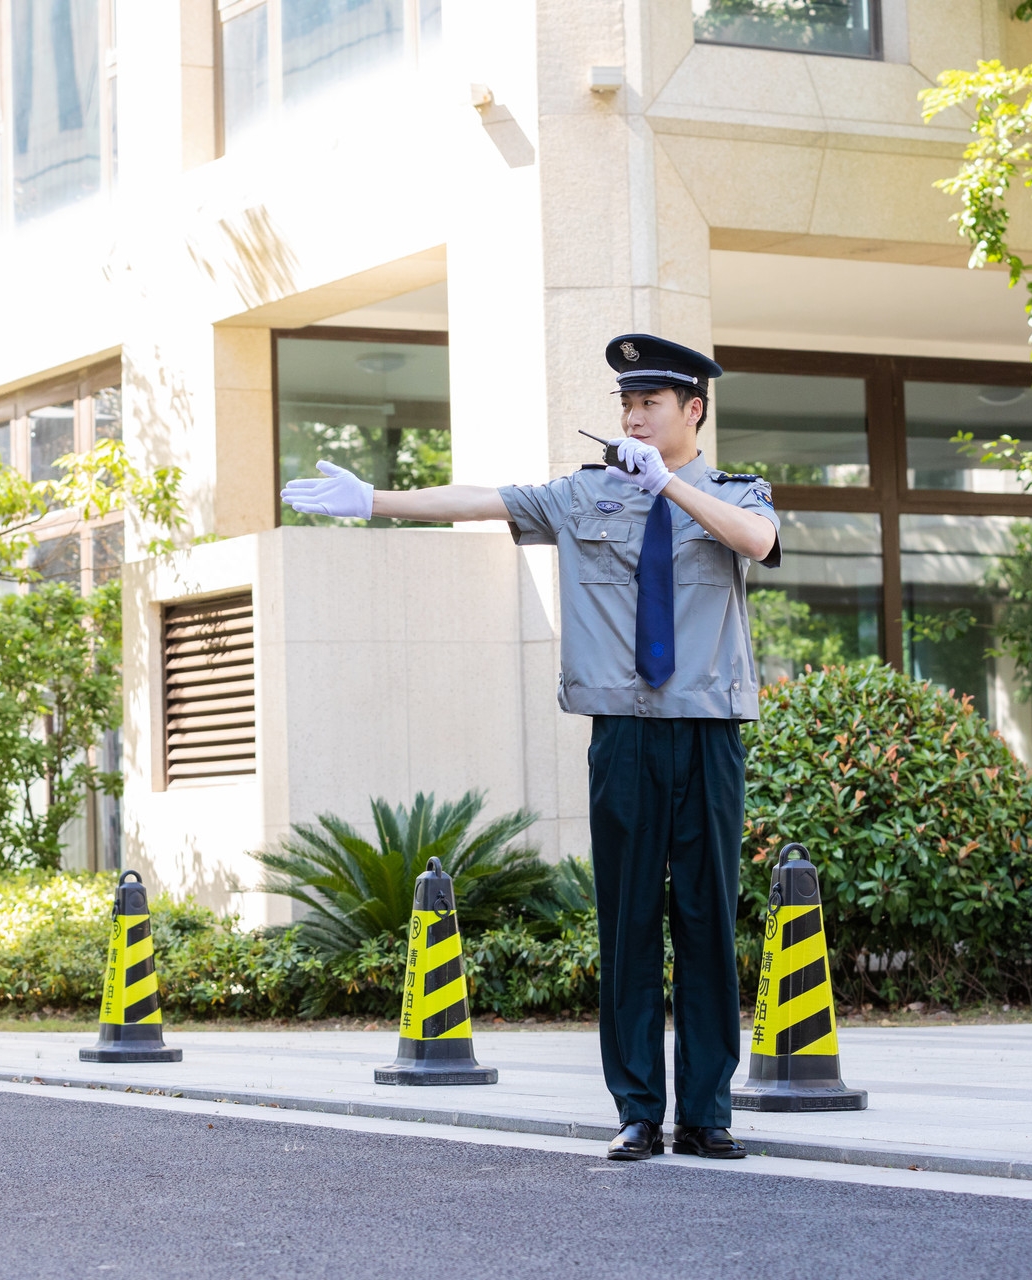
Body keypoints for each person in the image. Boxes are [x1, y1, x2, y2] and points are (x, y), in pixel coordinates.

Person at [281, 334, 780, 1162]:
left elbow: (756, 543)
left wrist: (672, 491)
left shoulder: (736, 492)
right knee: (627, 922)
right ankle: (636, 1110)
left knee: (705, 918)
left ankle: (707, 1112)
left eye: (650, 403)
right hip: (621, 730)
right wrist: (376, 499)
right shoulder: (583, 497)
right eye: (627, 404)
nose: (634, 417)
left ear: (693, 410)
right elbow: (478, 499)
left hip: (709, 731)